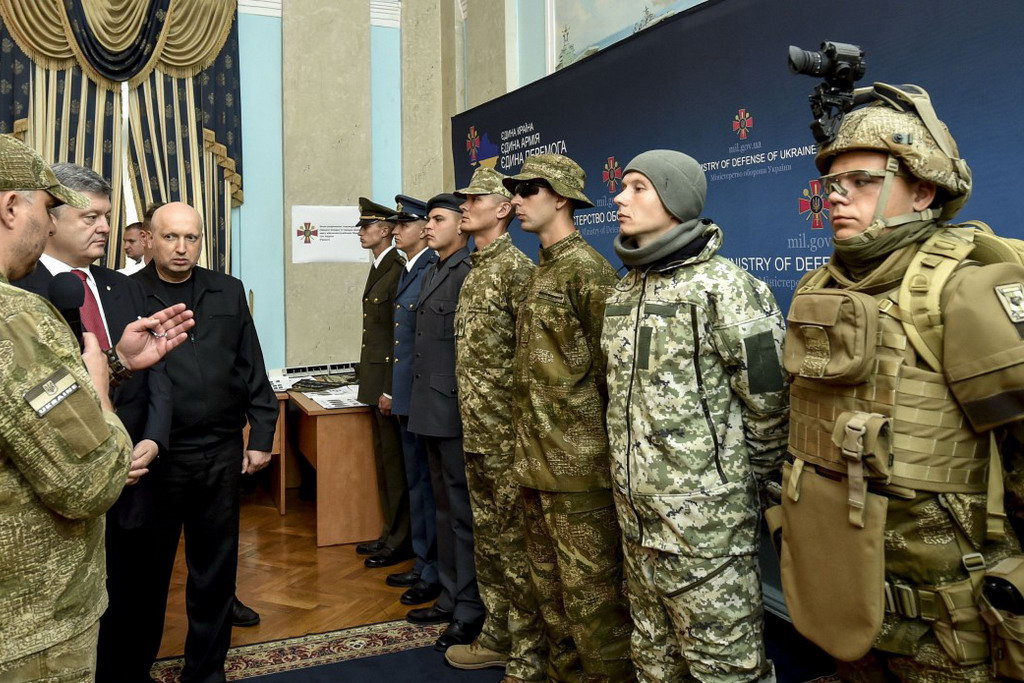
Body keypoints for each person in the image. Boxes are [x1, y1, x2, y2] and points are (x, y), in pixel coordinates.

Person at [778, 83, 1024, 681]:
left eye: (863, 180)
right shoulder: (819, 289)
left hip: (949, 621)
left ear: (922, 190)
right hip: (845, 595)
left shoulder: (964, 287)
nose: (838, 196)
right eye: (832, 183)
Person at [0, 133, 193, 682]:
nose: (103, 227)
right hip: (35, 610)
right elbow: (85, 481)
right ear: (13, 207)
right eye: (48, 207)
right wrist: (103, 396)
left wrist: (118, 364)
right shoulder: (18, 310)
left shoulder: (116, 286)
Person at [601, 150, 788, 682]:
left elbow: (770, 399)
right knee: (654, 660)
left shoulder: (726, 288)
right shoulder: (624, 289)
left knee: (724, 667)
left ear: (675, 200)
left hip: (706, 528)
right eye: (623, 185)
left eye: (638, 187)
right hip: (636, 518)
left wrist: (732, 488)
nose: (619, 197)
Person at [132, 201, 279, 682]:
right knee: (147, 576)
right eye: (170, 237)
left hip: (220, 452)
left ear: (201, 240)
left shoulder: (227, 289)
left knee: (215, 571)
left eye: (191, 237)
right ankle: (135, 669)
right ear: (149, 239)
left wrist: (261, 433)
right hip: (157, 458)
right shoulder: (127, 294)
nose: (181, 247)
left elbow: (251, 365)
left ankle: (206, 672)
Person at [502, 153, 634, 681]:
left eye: (528, 190)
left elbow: (611, 375)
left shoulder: (588, 271)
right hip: (535, 464)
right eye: (514, 190)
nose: (516, 200)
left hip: (578, 469)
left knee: (592, 605)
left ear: (561, 197)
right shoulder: (542, 267)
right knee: (552, 600)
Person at [445, 167, 546, 679]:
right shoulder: (476, 267)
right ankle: (497, 635)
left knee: (515, 547)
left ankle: (526, 649)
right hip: (477, 433)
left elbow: (531, 363)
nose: (464, 207)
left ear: (504, 208)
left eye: (474, 199)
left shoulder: (516, 271)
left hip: (508, 438)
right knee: (488, 544)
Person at [405, 193, 485, 652]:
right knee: (443, 508)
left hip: (454, 410)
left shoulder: (467, 272)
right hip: (430, 409)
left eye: (438, 219)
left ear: (461, 225)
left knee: (462, 513)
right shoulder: (435, 270)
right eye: (429, 219)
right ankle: (451, 595)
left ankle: (469, 607)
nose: (429, 227)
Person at [387, 194, 441, 604]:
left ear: (424, 229)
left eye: (404, 224)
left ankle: (431, 566)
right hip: (407, 394)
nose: (396, 231)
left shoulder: (429, 269)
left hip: (423, 396)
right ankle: (423, 561)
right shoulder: (410, 269)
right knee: (417, 482)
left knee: (427, 484)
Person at [354, 197, 413, 570]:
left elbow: (397, 338)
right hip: (376, 381)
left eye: (366, 227)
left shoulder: (396, 268)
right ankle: (390, 531)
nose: (361, 233)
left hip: (387, 383)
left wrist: (390, 387)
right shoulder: (380, 266)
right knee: (385, 463)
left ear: (386, 230)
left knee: (395, 465)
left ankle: (400, 539)